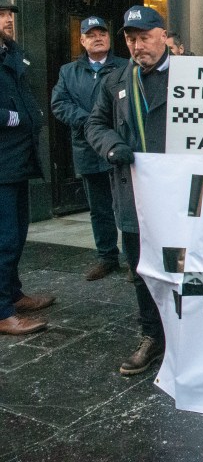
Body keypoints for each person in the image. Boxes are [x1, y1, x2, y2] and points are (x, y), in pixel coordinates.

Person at [86, 5, 169, 376]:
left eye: (145, 37)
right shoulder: (117, 80)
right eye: (131, 39)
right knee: (141, 269)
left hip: (184, 198)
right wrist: (110, 145)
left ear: (163, 36)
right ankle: (152, 336)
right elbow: (94, 123)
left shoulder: (193, 76)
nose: (138, 46)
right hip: (133, 194)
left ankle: (189, 333)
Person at [50, 16, 122, 281]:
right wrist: (89, 121)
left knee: (126, 207)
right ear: (82, 40)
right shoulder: (68, 72)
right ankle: (107, 258)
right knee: (99, 207)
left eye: (102, 32)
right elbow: (59, 105)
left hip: (119, 147)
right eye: (90, 34)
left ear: (109, 37)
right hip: (87, 148)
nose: (97, 37)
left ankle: (135, 259)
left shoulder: (124, 67)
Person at [0, 0, 54, 336]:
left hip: (16, 160)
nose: (8, 20)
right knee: (4, 238)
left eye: (8, 14)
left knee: (17, 234)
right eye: (1, 15)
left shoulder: (12, 53)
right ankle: (3, 310)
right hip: (2, 163)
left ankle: (13, 294)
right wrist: (15, 117)